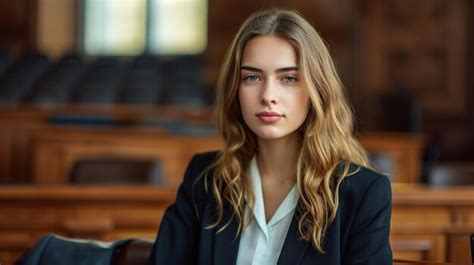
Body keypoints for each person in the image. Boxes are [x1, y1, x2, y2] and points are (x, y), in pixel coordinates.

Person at [147, 8, 392, 265]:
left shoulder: (363, 193)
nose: (268, 95)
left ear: (316, 88)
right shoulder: (205, 179)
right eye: (252, 77)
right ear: (236, 88)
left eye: (288, 78)